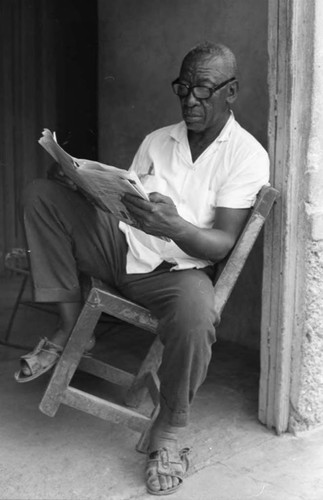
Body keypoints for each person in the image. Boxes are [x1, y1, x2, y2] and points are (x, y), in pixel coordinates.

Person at [15, 41, 269, 495]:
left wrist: (174, 226)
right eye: (184, 87)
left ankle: (168, 433)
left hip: (176, 273)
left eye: (204, 90)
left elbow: (223, 242)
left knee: (197, 316)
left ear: (231, 92)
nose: (190, 100)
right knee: (41, 194)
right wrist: (80, 185)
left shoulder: (246, 155)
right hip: (123, 247)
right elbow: (120, 206)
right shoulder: (158, 139)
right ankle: (74, 329)